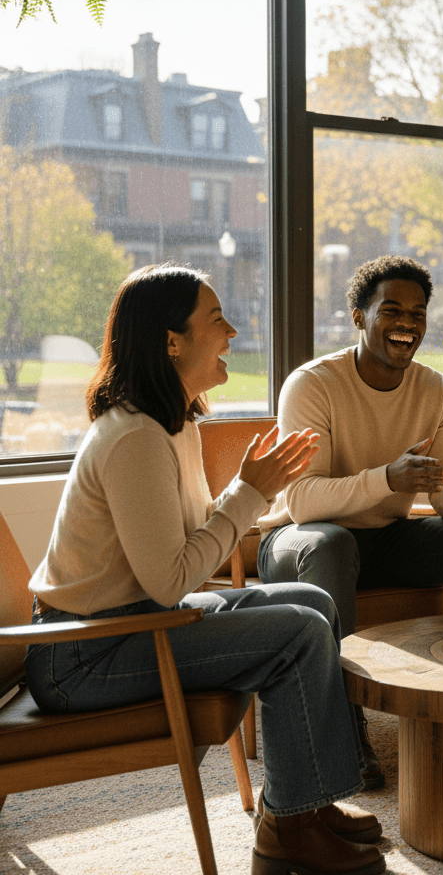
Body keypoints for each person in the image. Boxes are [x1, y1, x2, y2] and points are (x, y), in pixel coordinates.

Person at [25, 264, 387, 875]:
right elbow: (172, 579)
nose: (234, 332)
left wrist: (258, 492)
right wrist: (247, 492)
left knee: (313, 604)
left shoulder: (174, 423)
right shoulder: (134, 438)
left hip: (136, 624)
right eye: (217, 319)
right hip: (81, 655)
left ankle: (304, 803)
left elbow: (187, 553)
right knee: (298, 631)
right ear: (172, 341)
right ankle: (287, 832)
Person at [257, 254, 443, 786]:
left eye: (417, 313)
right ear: (358, 316)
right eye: (391, 310)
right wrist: (387, 480)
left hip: (385, 539)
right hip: (298, 544)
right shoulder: (313, 385)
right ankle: (344, 731)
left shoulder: (438, 389)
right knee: (332, 545)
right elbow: (301, 501)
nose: (407, 324)